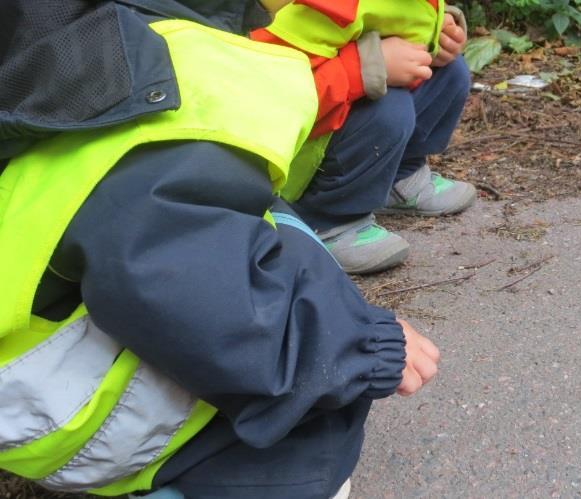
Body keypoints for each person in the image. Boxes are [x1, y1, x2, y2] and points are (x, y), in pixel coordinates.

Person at [0, 1, 438, 498]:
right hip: (47, 410)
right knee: (311, 435)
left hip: (34, 343)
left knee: (266, 221)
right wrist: (358, 343)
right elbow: (174, 278)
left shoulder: (56, 47)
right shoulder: (173, 79)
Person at [252, 1, 475, 274]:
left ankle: (399, 177)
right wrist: (365, 66)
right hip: (292, 147)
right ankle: (325, 219)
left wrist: (440, 32)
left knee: (451, 72)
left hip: (346, 93)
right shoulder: (315, 9)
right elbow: (275, 96)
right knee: (389, 110)